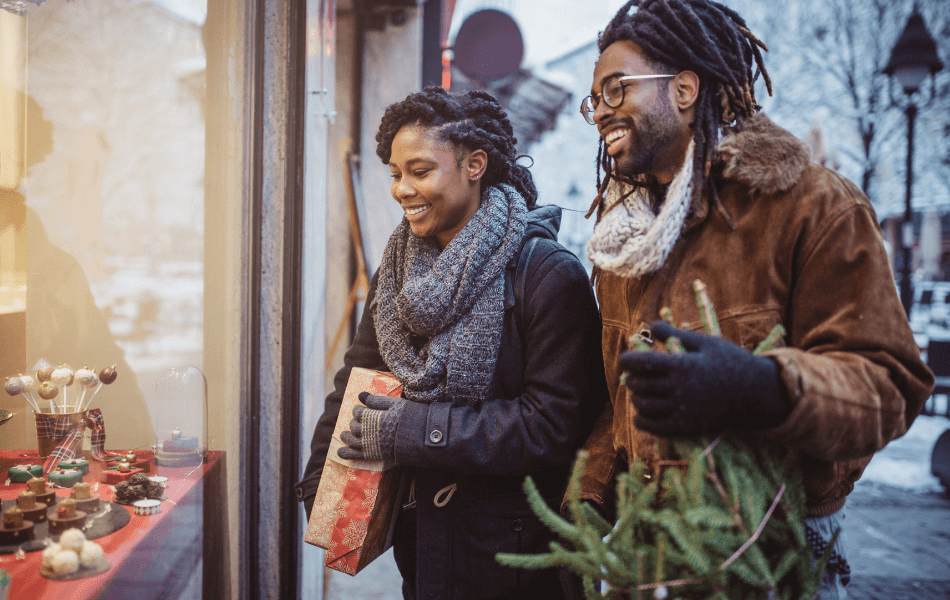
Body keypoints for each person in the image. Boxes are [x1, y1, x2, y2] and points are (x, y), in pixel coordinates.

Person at [574, 1, 934, 598]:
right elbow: (616, 403)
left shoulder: (811, 206)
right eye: (596, 100)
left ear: (685, 88)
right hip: (647, 558)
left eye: (616, 90)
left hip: (774, 555)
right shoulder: (621, 241)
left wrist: (762, 388)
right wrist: (587, 505)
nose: (601, 114)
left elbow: (890, 383)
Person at [295, 87, 608, 600]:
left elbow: (553, 426)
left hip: (522, 559)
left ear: (475, 164)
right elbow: (358, 382)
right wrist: (321, 491)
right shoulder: (397, 273)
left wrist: (413, 431)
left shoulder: (548, 275)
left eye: (420, 171)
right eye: (395, 174)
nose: (401, 190)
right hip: (424, 551)